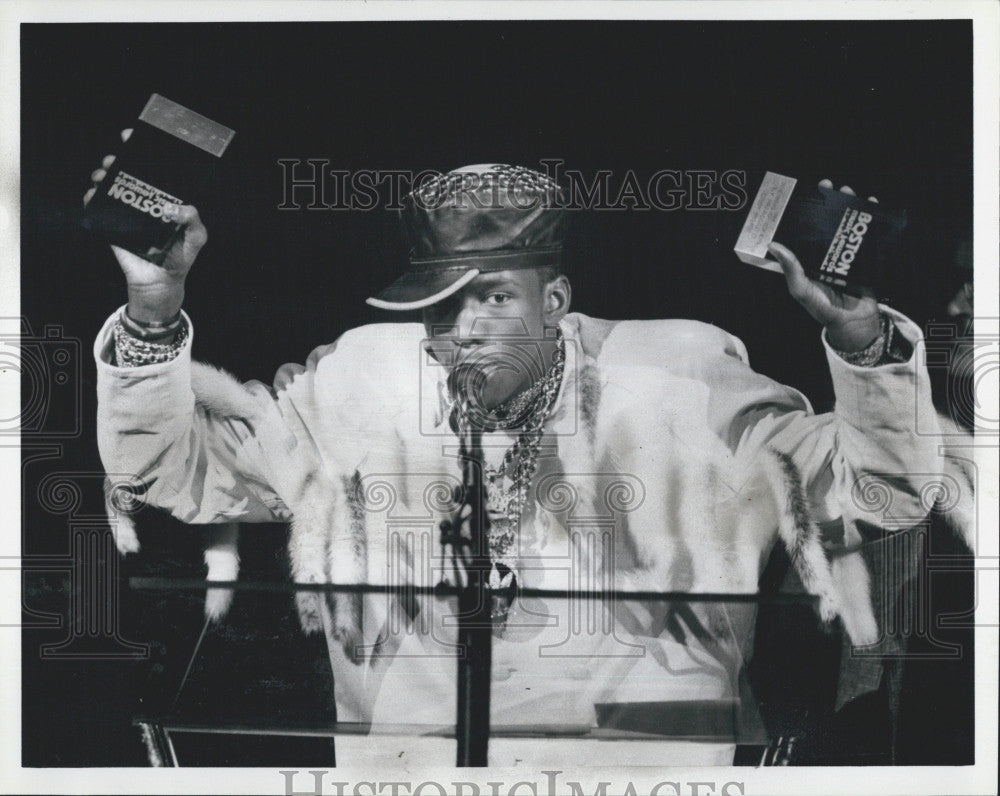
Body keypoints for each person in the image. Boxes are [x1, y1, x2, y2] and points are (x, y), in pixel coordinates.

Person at [90, 160, 969, 766]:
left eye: (494, 300)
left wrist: (858, 336)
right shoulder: (360, 377)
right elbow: (179, 477)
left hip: (638, 771)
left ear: (556, 300)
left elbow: (884, 493)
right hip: (409, 770)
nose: (460, 333)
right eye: (437, 310)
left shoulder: (686, 378)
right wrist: (152, 313)